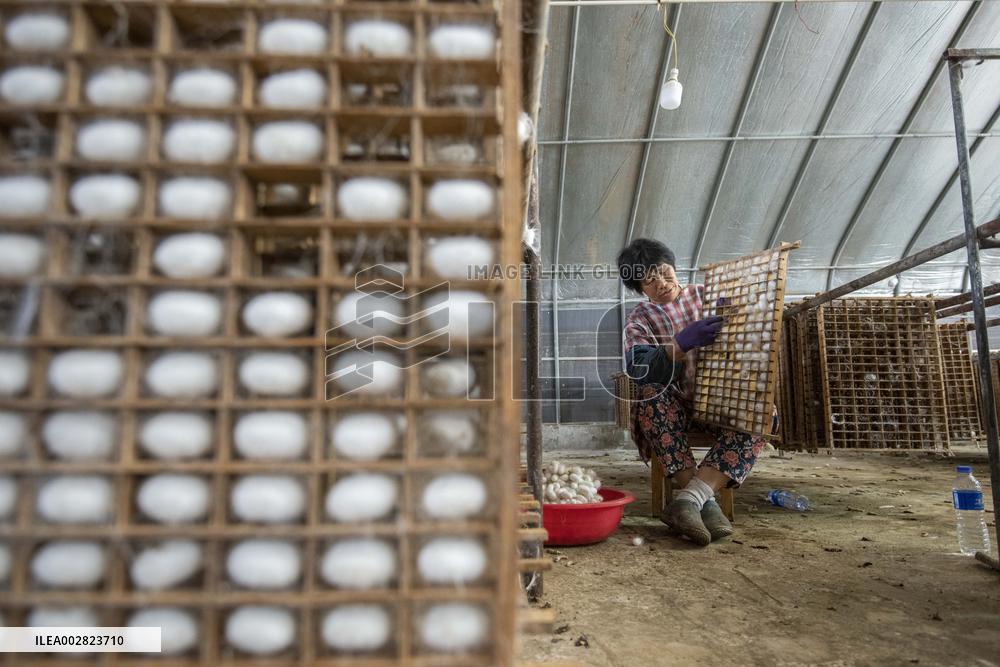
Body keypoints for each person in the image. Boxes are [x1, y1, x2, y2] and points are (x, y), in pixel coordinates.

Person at [617, 238, 766, 546]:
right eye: (649, 280)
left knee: (762, 410)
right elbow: (639, 367)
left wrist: (738, 319)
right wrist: (679, 345)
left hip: (723, 403)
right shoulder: (640, 319)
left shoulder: (708, 296)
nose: (661, 283)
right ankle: (704, 504)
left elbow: (751, 331)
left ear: (674, 266)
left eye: (664, 272)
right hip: (678, 411)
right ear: (640, 288)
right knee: (649, 396)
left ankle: (689, 501)